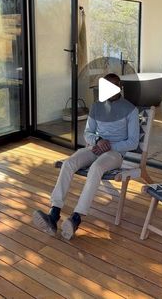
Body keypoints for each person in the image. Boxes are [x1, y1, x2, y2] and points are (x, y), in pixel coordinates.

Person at [33, 73, 139, 240]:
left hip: (115, 153)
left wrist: (109, 145)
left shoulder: (130, 109)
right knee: (69, 163)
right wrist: (97, 141)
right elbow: (87, 133)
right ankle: (54, 212)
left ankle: (76, 217)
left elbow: (133, 142)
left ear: (119, 87)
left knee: (96, 168)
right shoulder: (96, 107)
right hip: (95, 148)